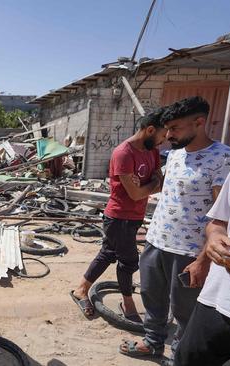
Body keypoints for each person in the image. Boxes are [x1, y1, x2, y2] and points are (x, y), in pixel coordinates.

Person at [119, 96, 230, 360]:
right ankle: (152, 342)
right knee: (152, 297)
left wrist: (203, 260)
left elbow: (223, 217)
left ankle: (180, 355)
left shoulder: (225, 159)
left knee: (186, 311)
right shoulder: (174, 155)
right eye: (168, 129)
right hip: (156, 241)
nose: (169, 135)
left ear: (199, 122)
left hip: (189, 251)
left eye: (175, 129)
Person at [174, 100, 230, 365]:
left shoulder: (224, 158)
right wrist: (215, 238)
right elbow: (217, 220)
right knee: (187, 359)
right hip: (221, 299)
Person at [71, 108, 167, 320]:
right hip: (119, 217)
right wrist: (150, 184)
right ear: (150, 130)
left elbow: (160, 183)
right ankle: (128, 303)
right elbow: (135, 193)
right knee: (130, 262)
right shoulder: (123, 153)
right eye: (162, 136)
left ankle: (81, 290)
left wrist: (147, 186)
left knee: (108, 253)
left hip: (135, 216)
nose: (164, 141)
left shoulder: (152, 151)